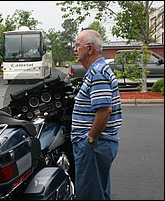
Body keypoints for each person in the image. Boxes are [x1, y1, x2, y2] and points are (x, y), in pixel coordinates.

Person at [71, 29, 122, 200]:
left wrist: (90, 140)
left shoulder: (98, 73)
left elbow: (104, 111)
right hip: (98, 145)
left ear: (90, 48)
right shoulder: (98, 70)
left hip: (95, 146)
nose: (74, 49)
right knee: (99, 192)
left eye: (77, 45)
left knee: (90, 195)